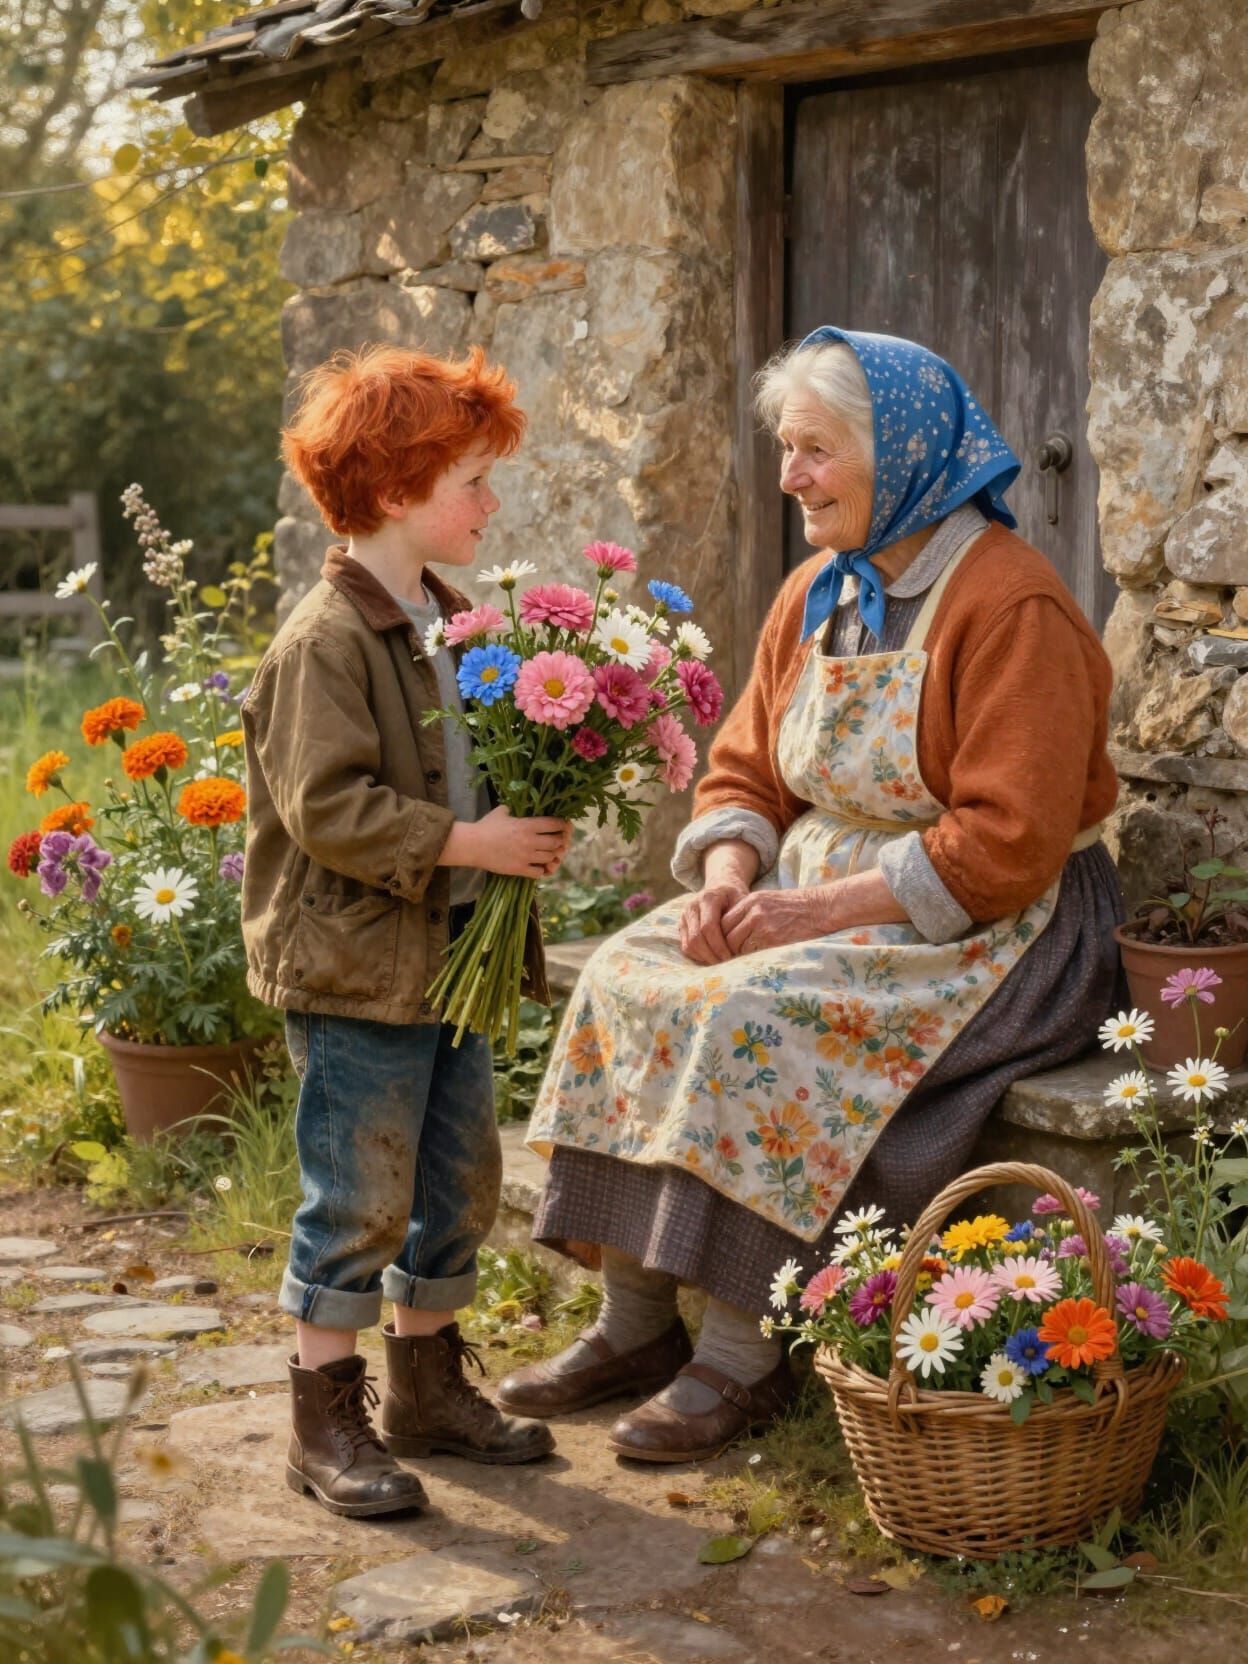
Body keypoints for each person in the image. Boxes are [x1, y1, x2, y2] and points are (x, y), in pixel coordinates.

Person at [500, 328, 1121, 1463]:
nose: (790, 477)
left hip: (988, 923)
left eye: (815, 451)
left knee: (752, 1014)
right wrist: (732, 876)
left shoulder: (1011, 606)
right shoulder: (819, 592)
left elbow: (1011, 840)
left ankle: (741, 1350)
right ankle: (634, 1324)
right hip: (815, 892)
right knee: (634, 977)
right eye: (787, 448)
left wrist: (807, 914)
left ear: (910, 455)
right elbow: (743, 769)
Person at [242, 345, 572, 1518]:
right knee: (357, 1197)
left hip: (450, 963)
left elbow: (472, 765)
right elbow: (326, 806)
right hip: (355, 973)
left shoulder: (453, 619)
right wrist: (470, 844)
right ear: (394, 492)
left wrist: (539, 800)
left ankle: (425, 1388)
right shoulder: (324, 640)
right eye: (472, 482)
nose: (490, 504)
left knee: (459, 1176)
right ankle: (321, 1418)